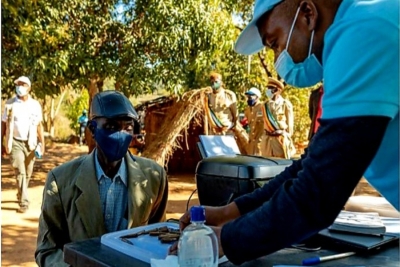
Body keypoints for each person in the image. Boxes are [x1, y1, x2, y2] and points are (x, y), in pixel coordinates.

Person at [176, 0, 399, 265]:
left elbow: (318, 191)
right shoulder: (363, 22)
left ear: (307, 14)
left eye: (275, 43)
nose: (277, 57)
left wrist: (225, 240)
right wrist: (230, 213)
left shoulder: (361, 32)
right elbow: (310, 164)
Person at [35, 91, 169, 266]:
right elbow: (47, 249)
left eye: (127, 127)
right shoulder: (60, 181)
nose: (121, 135)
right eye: (111, 127)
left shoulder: (154, 177)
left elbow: (158, 235)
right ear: (92, 129)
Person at [1, 76, 45, 213]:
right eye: (18, 84)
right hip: (15, 142)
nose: (20, 87)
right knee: (19, 171)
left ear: (29, 88)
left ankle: (21, 193)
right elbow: (3, 124)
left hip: (30, 143)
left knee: (28, 172)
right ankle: (24, 202)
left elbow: (39, 126)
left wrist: (42, 143)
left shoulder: (35, 105)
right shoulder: (9, 104)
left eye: (23, 84)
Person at [262, 77, 296, 159]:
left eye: (271, 88)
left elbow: (289, 126)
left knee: (281, 164)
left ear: (278, 90)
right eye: (268, 88)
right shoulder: (265, 105)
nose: (268, 91)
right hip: (267, 141)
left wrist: (285, 136)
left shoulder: (285, 104)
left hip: (279, 140)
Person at [244, 87, 264, 155]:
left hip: (260, 143)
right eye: (248, 97)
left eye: (251, 96)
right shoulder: (248, 110)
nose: (249, 98)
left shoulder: (263, 107)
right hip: (251, 143)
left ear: (257, 97)